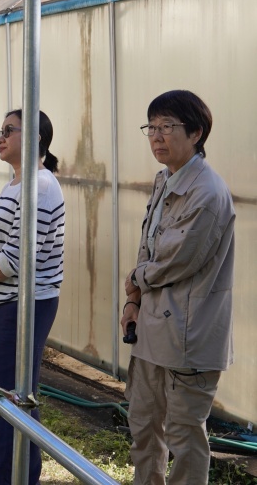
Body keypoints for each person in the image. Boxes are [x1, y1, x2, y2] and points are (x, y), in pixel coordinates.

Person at [122, 90, 234, 485]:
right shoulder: (166, 179)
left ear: (197, 132)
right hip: (153, 327)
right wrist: (132, 301)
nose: (156, 136)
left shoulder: (206, 192)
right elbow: (147, 248)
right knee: (144, 425)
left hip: (189, 335)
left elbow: (174, 261)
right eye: (151, 127)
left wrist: (136, 280)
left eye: (167, 127)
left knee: (184, 437)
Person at [0, 109, 64, 483]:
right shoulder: (15, 185)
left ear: (36, 137)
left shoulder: (42, 186)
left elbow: (17, 258)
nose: (0, 136)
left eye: (9, 130)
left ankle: (7, 477)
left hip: (23, 306)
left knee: (5, 403)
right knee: (0, 401)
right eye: (0, 130)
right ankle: (7, 475)